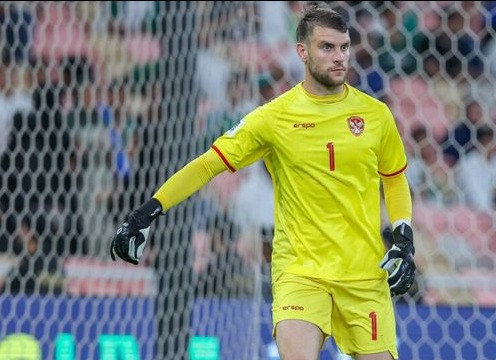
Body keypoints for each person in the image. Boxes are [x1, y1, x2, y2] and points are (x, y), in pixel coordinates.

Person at [109, 3, 415, 359]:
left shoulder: (376, 116)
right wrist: (148, 211)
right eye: (327, 47)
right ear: (302, 51)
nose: (339, 57)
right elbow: (208, 165)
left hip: (364, 274)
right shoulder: (273, 118)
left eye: (344, 47)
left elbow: (394, 180)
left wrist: (403, 235)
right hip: (301, 273)